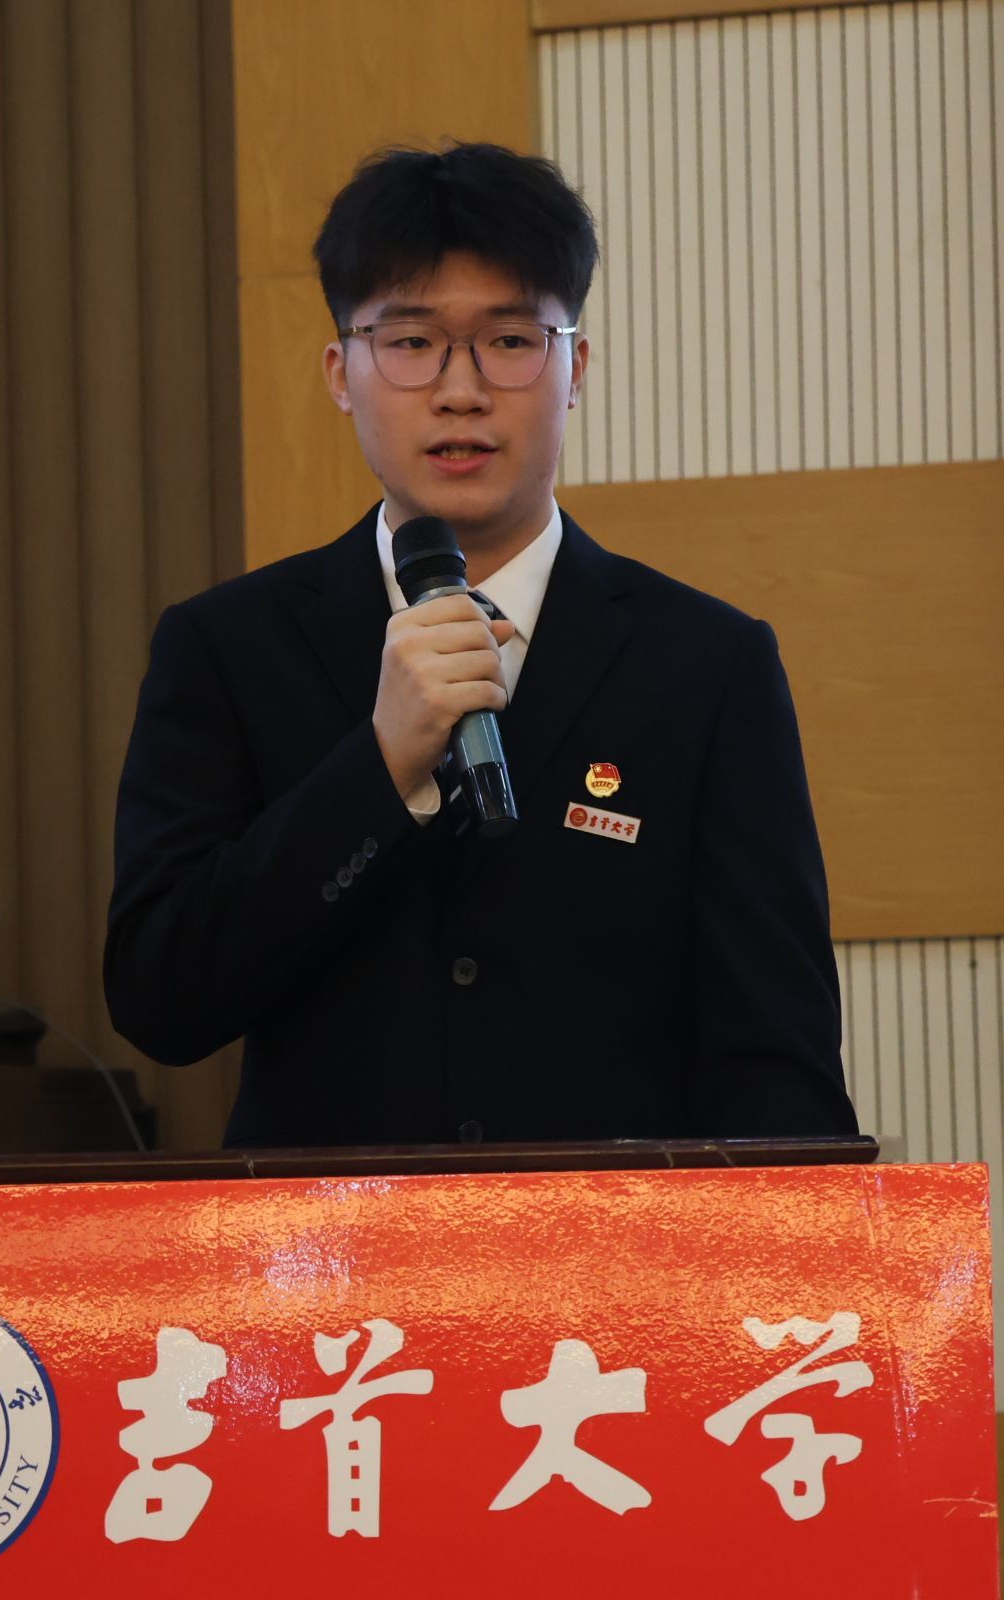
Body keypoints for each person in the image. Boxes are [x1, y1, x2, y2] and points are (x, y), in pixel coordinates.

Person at [104, 142, 856, 1148]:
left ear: (574, 368)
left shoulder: (708, 665)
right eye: (411, 341)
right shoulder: (227, 648)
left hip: (606, 1247)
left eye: (509, 340)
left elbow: (778, 1057)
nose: (460, 391)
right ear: (341, 373)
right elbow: (159, 997)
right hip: (333, 1248)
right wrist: (379, 766)